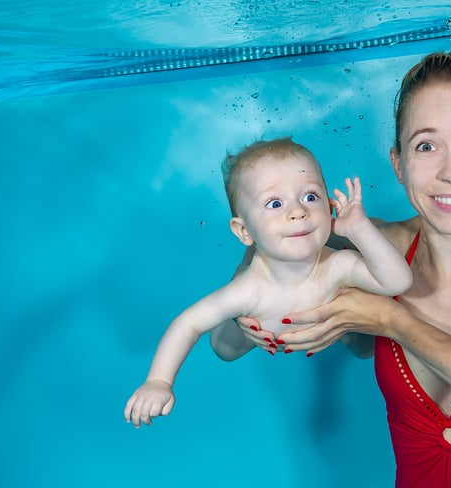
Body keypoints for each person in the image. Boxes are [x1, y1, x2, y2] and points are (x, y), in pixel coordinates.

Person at [229, 40, 451, 486]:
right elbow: (226, 344)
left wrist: (389, 318)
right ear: (397, 164)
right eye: (426, 147)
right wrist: (266, 251)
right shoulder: (370, 245)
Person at [124, 137, 412, 428]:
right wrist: (158, 381)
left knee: (365, 350)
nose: (298, 211)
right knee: (224, 350)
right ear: (243, 230)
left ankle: (346, 333)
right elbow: (188, 323)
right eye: (275, 203)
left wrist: (360, 229)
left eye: (311, 197)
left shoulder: (337, 264)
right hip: (266, 322)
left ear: (330, 207)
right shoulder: (249, 289)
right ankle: (247, 268)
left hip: (334, 311)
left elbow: (397, 282)